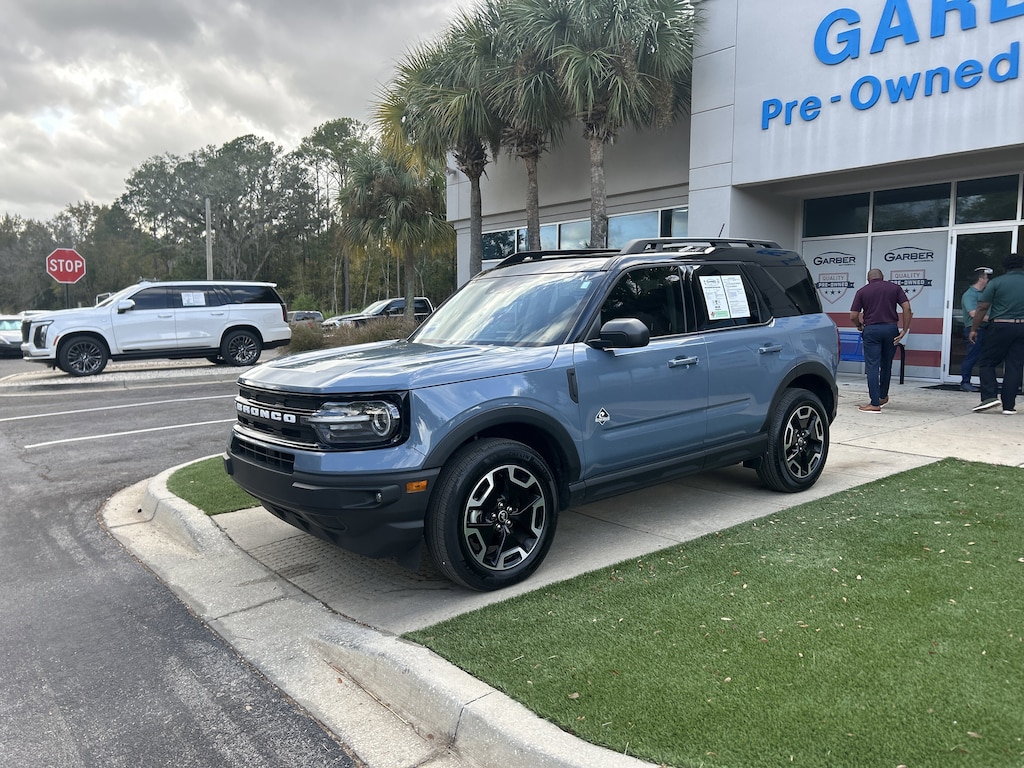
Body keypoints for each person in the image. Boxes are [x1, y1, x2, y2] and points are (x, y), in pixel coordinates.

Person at [849, 268, 912, 412]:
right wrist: (904, 330)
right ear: (883, 277)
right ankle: (883, 396)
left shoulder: (862, 291)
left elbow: (853, 316)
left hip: (871, 330)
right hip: (891, 329)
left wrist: (859, 325)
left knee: (872, 366)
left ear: (868, 279)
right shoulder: (894, 288)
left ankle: (874, 403)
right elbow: (907, 308)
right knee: (886, 364)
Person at [969, 253, 1024, 414]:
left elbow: (982, 308)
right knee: (1015, 366)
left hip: (1000, 326)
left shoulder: (997, 283)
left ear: (1005, 267)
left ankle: (989, 397)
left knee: (987, 362)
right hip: (1022, 328)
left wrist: (973, 329)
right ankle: (1009, 406)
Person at [959, 266, 992, 392]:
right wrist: (992, 319)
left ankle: (984, 382)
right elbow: (973, 313)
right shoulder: (970, 294)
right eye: (986, 277)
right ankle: (965, 382)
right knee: (972, 355)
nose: (988, 280)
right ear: (981, 279)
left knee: (986, 357)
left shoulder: (984, 294)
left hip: (986, 329)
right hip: (975, 329)